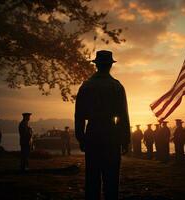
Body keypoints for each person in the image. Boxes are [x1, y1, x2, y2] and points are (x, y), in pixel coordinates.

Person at [75, 50, 130, 200]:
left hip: (92, 133)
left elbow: (79, 115)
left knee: (92, 176)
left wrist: (81, 137)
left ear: (96, 65)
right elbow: (123, 117)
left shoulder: (86, 86)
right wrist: (125, 140)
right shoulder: (117, 87)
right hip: (111, 134)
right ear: (110, 66)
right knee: (111, 177)